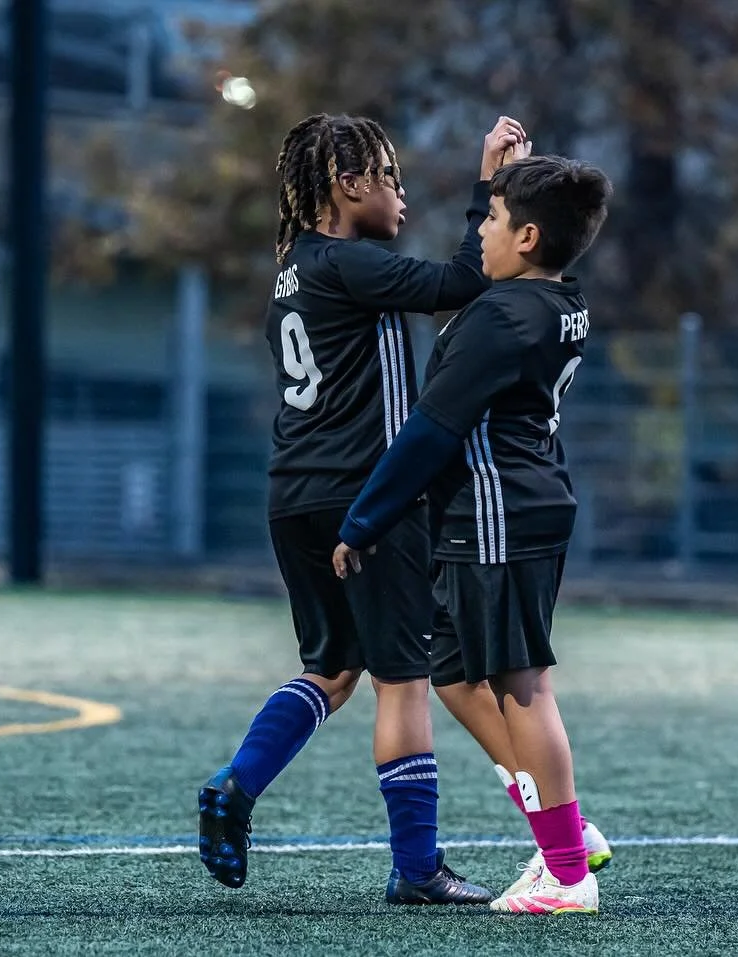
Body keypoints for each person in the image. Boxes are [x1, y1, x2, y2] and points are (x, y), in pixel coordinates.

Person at [198, 112, 525, 905]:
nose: (401, 195)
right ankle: (417, 866)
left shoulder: (294, 268)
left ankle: (236, 785)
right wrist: (490, 183)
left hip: (293, 493)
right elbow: (463, 280)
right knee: (402, 680)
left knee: (331, 667)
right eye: (389, 178)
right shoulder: (353, 262)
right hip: (364, 498)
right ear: (347, 186)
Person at [334, 154, 614, 913]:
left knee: (523, 686)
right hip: (513, 505)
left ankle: (565, 871)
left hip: (500, 511)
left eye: (491, 219)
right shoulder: (555, 297)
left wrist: (364, 519)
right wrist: (490, 184)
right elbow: (489, 275)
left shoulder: (500, 318)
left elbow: (431, 430)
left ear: (526, 237)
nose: (479, 230)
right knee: (454, 672)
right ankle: (565, 830)